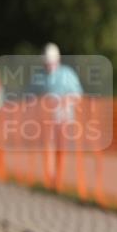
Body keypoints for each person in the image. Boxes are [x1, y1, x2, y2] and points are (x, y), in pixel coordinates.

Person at [29, 43, 84, 186]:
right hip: (46, 121)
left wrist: (66, 100)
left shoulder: (68, 74)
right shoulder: (39, 77)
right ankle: (50, 177)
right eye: (47, 64)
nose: (49, 67)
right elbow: (30, 97)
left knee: (61, 148)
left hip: (63, 119)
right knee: (48, 147)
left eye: (51, 63)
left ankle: (59, 178)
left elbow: (78, 95)